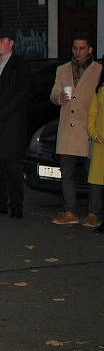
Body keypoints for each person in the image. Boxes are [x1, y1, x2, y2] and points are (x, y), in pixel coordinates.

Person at [49, 34, 101, 226]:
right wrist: (59, 98)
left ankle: (93, 212)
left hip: (89, 128)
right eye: (75, 48)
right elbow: (53, 94)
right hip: (68, 130)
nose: (77, 52)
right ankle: (70, 210)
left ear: (90, 50)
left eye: (81, 48)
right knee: (67, 172)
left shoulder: (98, 70)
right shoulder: (62, 70)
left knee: (93, 173)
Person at [0, 29, 30, 219]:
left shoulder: (20, 66)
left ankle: (16, 205)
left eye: (1, 40)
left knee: (12, 166)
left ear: (11, 43)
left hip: (10, 125)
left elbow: (21, 96)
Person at [86, 67, 104, 233]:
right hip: (100, 143)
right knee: (99, 183)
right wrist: (92, 131)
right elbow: (92, 113)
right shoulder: (100, 89)